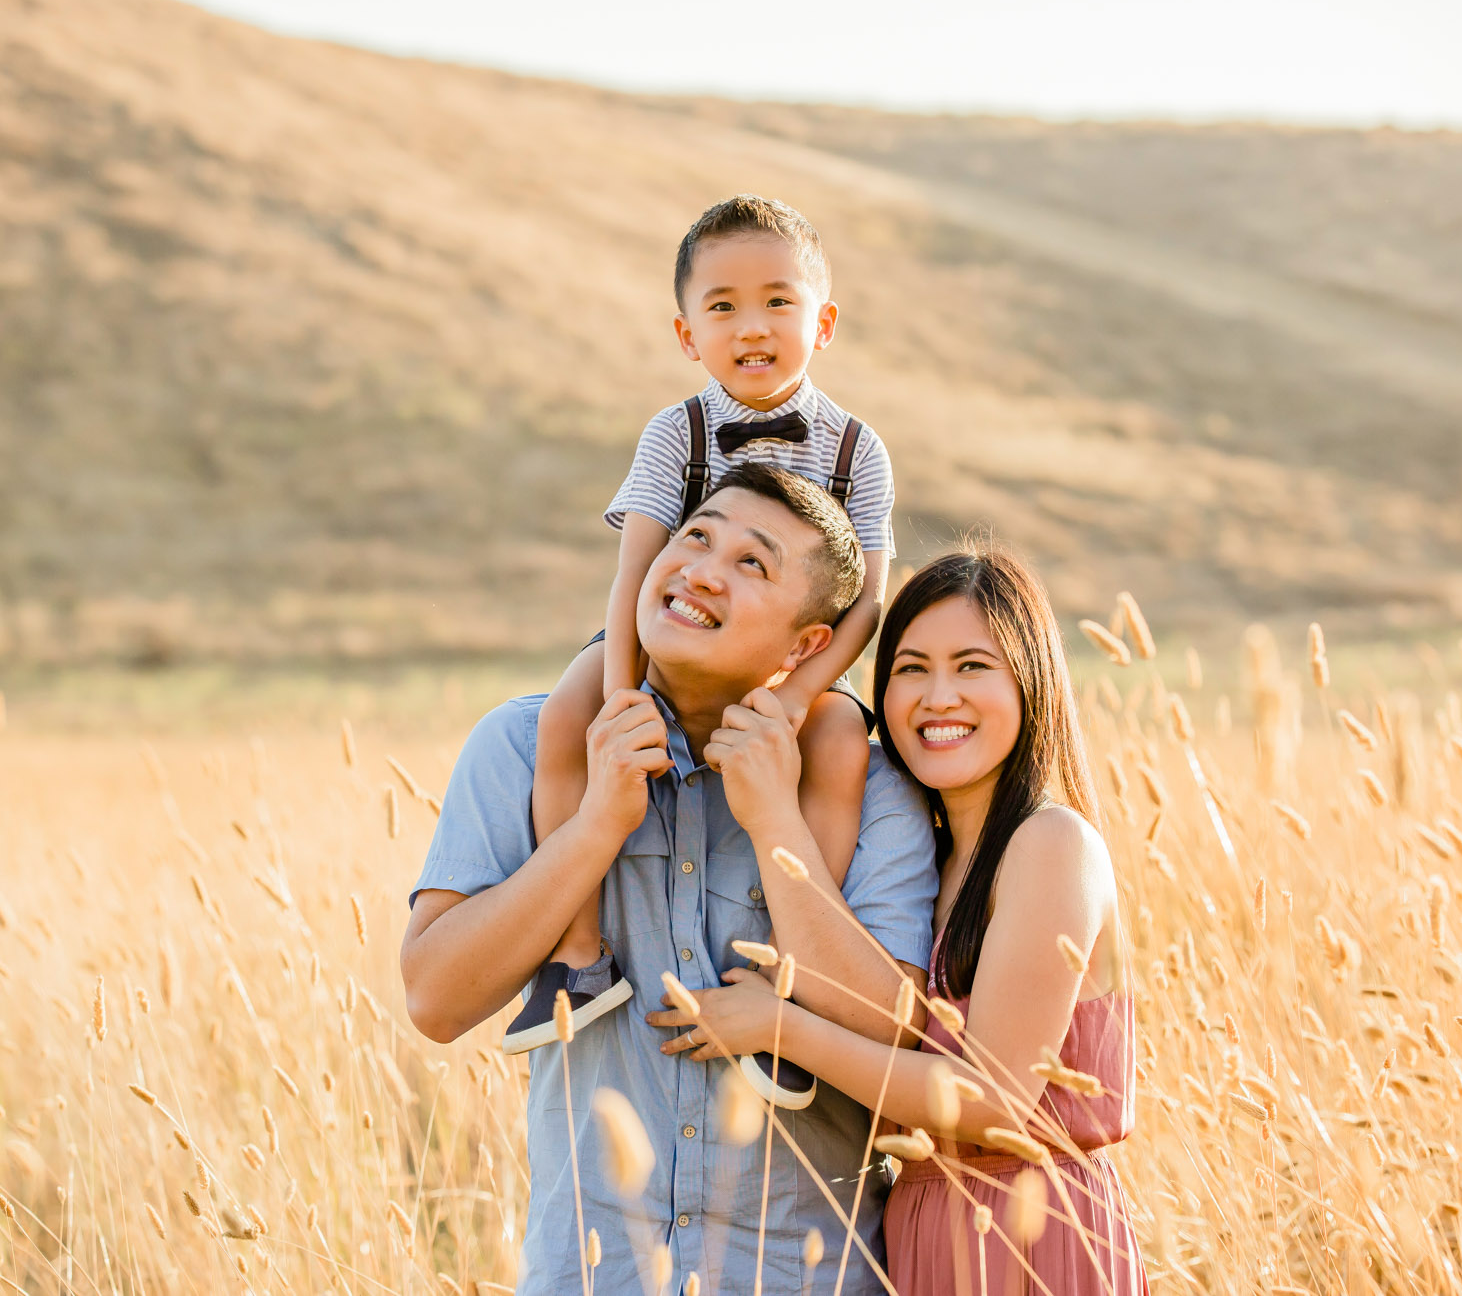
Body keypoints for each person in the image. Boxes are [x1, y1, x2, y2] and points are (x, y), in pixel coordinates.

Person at [400, 464, 935, 1296]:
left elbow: (894, 1024)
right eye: (695, 537)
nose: (702, 569)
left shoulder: (868, 785)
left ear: (806, 646)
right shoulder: (524, 744)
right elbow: (434, 998)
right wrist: (593, 827)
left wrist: (776, 824)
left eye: (752, 563)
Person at [650, 549, 1148, 1293]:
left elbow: (992, 1098)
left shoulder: (1050, 843)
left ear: (1031, 682)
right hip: (925, 1227)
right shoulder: (934, 858)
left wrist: (779, 1029)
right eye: (911, 668)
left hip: (1035, 1235)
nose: (937, 696)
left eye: (972, 666)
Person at [514, 195, 895, 1114]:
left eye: (777, 301)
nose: (751, 325)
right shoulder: (674, 434)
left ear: (823, 322)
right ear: (687, 335)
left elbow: (870, 599)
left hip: (795, 666)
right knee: (564, 714)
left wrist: (799, 697)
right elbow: (634, 576)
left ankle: (786, 979)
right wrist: (619, 696)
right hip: (660, 644)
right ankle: (574, 958)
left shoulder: (856, 448)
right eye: (721, 306)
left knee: (842, 748)